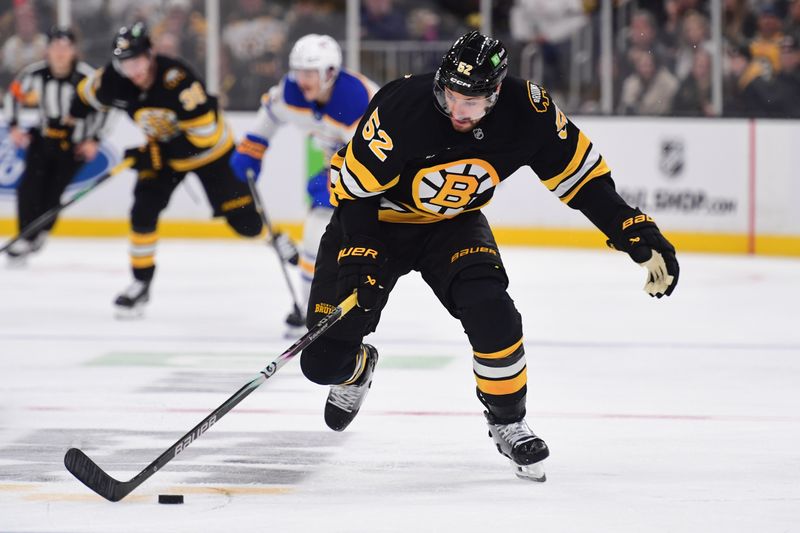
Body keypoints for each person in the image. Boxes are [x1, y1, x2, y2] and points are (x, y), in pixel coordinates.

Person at [299, 31, 679, 481]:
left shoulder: (529, 111)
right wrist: (359, 257)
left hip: (452, 226)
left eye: (473, 102)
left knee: (493, 313)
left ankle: (508, 421)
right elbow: (356, 192)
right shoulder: (402, 105)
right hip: (375, 223)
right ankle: (357, 369)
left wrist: (630, 227)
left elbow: (582, 178)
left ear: (496, 93)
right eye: (452, 95)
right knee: (321, 361)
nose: (459, 111)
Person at [69, 22, 263, 317]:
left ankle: (285, 249)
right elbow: (84, 96)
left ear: (150, 55)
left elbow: (205, 138)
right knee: (142, 211)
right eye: (125, 63)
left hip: (213, 154)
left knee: (248, 225)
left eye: (137, 61)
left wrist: (156, 154)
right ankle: (140, 283)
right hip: (163, 154)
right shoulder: (113, 79)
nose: (132, 71)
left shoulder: (177, 80)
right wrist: (68, 123)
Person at [229, 34, 378, 334]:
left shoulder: (355, 100)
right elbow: (270, 115)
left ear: (331, 73)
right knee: (314, 239)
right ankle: (311, 310)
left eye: (310, 73)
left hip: (376, 175)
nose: (303, 80)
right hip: (339, 170)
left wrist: (341, 182)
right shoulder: (291, 93)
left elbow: (370, 160)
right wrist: (253, 146)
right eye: (299, 71)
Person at [3, 27, 107, 266]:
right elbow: (13, 96)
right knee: (29, 188)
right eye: (55, 47)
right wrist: (14, 125)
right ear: (47, 50)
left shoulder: (86, 78)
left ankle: (40, 232)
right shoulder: (34, 74)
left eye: (65, 47)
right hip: (44, 139)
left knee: (52, 193)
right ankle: (25, 236)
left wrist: (95, 139)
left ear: (74, 50)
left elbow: (105, 108)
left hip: (74, 145)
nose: (60, 53)